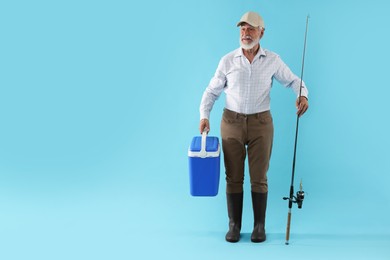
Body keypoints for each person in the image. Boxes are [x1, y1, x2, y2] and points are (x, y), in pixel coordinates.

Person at [198, 11, 309, 243]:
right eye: (242, 29)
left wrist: (302, 95)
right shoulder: (228, 60)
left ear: (262, 32)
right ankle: (234, 226)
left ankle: (260, 226)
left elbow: (293, 81)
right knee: (233, 177)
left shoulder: (273, 60)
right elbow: (211, 91)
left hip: (261, 124)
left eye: (250, 29)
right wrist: (204, 115)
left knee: (259, 177)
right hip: (231, 123)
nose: (245, 33)